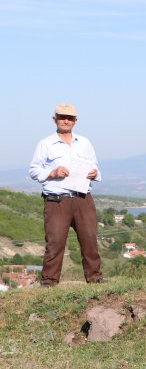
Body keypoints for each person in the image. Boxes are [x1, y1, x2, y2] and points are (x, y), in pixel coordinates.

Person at [28, 103, 103, 286]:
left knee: (90, 240)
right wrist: (52, 173)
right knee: (55, 242)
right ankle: (49, 282)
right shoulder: (45, 144)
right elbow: (33, 170)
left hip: (83, 198)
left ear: (75, 121)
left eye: (70, 118)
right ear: (55, 119)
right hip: (57, 200)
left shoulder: (85, 143)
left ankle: (95, 279)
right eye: (62, 117)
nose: (66, 121)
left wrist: (95, 173)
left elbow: (96, 167)